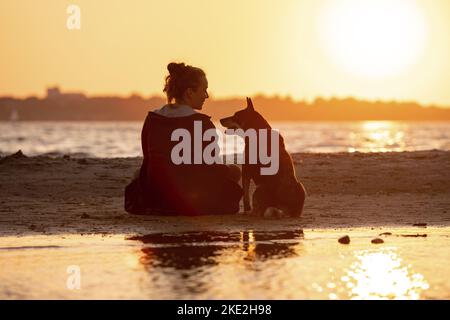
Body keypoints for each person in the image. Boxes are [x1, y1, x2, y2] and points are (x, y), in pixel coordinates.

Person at [125, 62, 243, 215]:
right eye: (204, 90)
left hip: (157, 196)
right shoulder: (202, 123)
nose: (206, 96)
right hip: (192, 198)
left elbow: (149, 158)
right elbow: (211, 166)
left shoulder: (152, 119)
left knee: (138, 174)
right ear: (189, 92)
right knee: (234, 171)